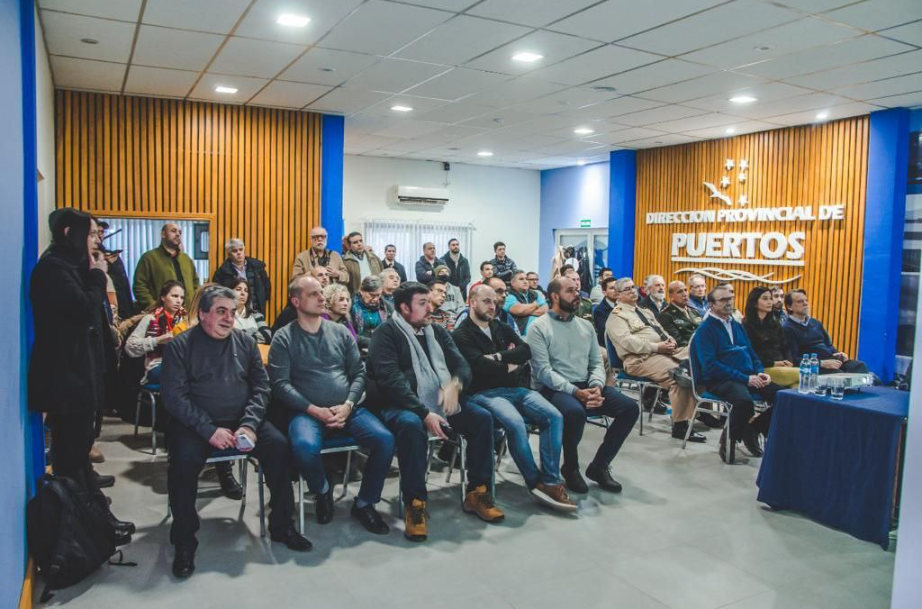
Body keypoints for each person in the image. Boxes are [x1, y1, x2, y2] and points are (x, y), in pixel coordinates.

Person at [366, 282, 503, 541]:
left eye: (429, 302)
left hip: (439, 401)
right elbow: (390, 381)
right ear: (404, 308)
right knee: (411, 425)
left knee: (481, 418)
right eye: (422, 303)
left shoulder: (437, 331)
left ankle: (477, 492)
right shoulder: (386, 333)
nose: (430, 308)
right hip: (399, 404)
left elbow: (462, 365)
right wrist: (423, 412)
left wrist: (455, 385)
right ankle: (415, 503)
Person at [29, 210, 134, 544]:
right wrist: (98, 275)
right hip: (66, 378)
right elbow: (83, 308)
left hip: (79, 373)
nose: (97, 241)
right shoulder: (53, 269)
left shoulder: (70, 266)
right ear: (68, 233)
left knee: (79, 452)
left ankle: (97, 521)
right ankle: (83, 530)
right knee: (71, 456)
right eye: (90, 234)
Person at [268, 276, 394, 534]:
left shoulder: (340, 332)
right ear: (296, 301)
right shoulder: (284, 337)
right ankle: (322, 490)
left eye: (321, 292)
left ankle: (365, 502)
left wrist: (348, 404)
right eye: (313, 294)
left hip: (347, 409)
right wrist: (314, 410)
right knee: (304, 447)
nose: (321, 297)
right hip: (307, 412)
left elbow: (358, 373)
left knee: (385, 440)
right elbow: (280, 384)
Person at [454, 285, 575, 512]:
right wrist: (509, 364)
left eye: (494, 301)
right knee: (516, 423)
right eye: (487, 301)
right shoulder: (461, 335)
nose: (493, 306)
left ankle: (551, 481)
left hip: (515, 389)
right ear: (472, 302)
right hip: (484, 394)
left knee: (554, 416)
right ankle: (535, 483)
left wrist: (498, 357)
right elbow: (478, 367)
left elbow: (526, 351)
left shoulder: (500, 326)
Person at [527, 277, 639, 494]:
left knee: (629, 408)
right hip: (554, 389)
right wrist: (575, 391)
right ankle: (570, 467)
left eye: (576, 290)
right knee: (574, 412)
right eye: (570, 291)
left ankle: (599, 466)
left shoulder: (585, 326)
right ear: (555, 296)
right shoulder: (538, 327)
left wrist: (596, 386)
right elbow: (543, 372)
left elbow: (596, 362)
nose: (576, 294)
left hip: (586, 384)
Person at [606, 277, 705, 443]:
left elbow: (660, 330)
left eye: (633, 287)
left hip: (664, 352)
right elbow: (627, 342)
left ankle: (696, 411)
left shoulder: (645, 311)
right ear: (617, 295)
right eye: (627, 289)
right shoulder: (616, 317)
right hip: (641, 359)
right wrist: (656, 347)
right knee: (679, 377)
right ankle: (680, 426)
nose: (633, 291)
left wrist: (670, 340)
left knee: (700, 361)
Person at [691, 286, 780, 464]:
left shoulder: (737, 325)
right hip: (720, 380)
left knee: (783, 397)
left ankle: (753, 429)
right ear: (711, 304)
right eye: (723, 300)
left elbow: (752, 354)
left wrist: (760, 372)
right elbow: (710, 366)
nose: (729, 302)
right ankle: (729, 440)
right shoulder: (705, 330)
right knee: (743, 402)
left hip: (746, 376)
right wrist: (746, 379)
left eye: (730, 298)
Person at [782, 290, 868, 373]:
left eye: (806, 300)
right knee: (838, 374)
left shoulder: (815, 323)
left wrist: (838, 354)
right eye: (800, 301)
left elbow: (829, 345)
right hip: (814, 366)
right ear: (789, 307)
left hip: (830, 360)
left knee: (859, 366)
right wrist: (821, 363)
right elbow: (793, 360)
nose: (805, 303)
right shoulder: (787, 328)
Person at [125, 280, 186, 383]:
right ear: (163, 297)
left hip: (181, 364)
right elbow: (129, 346)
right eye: (174, 296)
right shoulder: (151, 318)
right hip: (157, 366)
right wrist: (156, 340)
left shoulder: (185, 321)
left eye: (182, 297)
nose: (179, 301)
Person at [133, 222, 199, 311]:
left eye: (180, 232)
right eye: (173, 231)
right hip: (160, 313)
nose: (178, 234)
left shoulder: (186, 259)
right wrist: (153, 306)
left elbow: (196, 283)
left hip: (186, 312)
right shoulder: (149, 257)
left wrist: (194, 304)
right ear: (163, 234)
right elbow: (140, 287)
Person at [742, 287, 799, 388]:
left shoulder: (775, 323)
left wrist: (789, 361)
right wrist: (774, 363)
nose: (770, 302)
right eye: (765, 299)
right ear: (755, 303)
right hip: (763, 369)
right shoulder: (746, 325)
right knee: (804, 374)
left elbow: (785, 347)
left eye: (770, 298)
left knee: (797, 386)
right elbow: (751, 354)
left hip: (782, 366)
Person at [212, 238, 271, 315]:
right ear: (229, 254)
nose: (239, 253)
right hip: (233, 313)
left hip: (256, 310)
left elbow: (267, 289)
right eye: (235, 251)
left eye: (241, 249)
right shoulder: (222, 273)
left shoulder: (257, 268)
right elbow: (217, 295)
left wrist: (260, 302)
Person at [98, 220, 134, 318]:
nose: (100, 235)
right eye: (97, 232)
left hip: (120, 305)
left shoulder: (112, 255)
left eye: (102, 232)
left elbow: (123, 283)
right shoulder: (87, 259)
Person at [657, 280, 702, 348]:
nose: (685, 294)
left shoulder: (694, 311)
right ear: (671, 296)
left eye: (685, 290)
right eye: (680, 292)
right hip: (686, 349)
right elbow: (678, 341)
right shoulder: (666, 315)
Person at [351, 275, 392, 350]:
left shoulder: (387, 307)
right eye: (372, 295)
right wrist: (372, 343)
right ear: (361, 291)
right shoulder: (351, 306)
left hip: (382, 347)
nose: (375, 299)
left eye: (378, 295)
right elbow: (348, 333)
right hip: (357, 348)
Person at [504, 270, 547, 335]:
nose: (525, 281)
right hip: (520, 333)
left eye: (526, 279)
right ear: (513, 283)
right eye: (521, 279)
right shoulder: (508, 296)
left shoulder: (534, 293)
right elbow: (520, 311)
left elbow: (545, 309)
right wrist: (535, 304)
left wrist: (527, 312)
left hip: (540, 327)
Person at [229, 278, 271, 344]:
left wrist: (242, 334)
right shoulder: (225, 316)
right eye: (238, 289)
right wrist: (253, 331)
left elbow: (267, 335)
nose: (243, 293)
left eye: (246, 290)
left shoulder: (256, 315)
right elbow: (230, 338)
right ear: (229, 292)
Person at [592, 276, 618, 346]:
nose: (616, 290)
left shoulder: (623, 305)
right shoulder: (599, 311)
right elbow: (606, 333)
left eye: (617, 287)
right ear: (604, 293)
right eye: (612, 288)